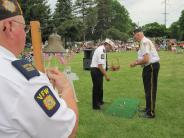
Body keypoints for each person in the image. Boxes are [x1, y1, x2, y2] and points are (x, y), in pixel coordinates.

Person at [0, 0, 78, 137]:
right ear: (9, 26)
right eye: (25, 28)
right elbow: (67, 131)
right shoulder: (24, 81)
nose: (26, 34)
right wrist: (66, 88)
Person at [130, 28, 160, 119]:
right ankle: (148, 108)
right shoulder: (144, 41)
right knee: (148, 89)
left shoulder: (144, 42)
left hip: (150, 66)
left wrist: (135, 63)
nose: (134, 38)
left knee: (150, 90)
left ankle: (150, 113)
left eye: (134, 35)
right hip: (149, 67)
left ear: (138, 34)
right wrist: (137, 61)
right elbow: (144, 57)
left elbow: (146, 59)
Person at [90, 38, 114, 110]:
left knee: (100, 87)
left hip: (98, 70)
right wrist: (106, 76)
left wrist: (111, 68)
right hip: (96, 70)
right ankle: (95, 106)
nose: (110, 49)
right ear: (107, 45)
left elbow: (103, 65)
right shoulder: (101, 50)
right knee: (96, 88)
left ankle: (100, 101)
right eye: (110, 47)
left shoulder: (103, 50)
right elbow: (100, 65)